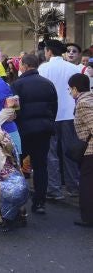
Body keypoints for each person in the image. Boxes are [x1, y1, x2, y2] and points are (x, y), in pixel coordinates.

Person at [10, 53, 57, 214]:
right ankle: (39, 202)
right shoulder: (48, 84)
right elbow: (53, 107)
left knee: (18, 166)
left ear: (23, 65)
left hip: (24, 130)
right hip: (43, 130)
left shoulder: (17, 84)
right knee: (40, 166)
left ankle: (18, 201)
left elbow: (14, 110)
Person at [39, 39, 81, 200]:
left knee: (51, 153)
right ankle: (72, 186)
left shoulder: (44, 68)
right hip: (70, 114)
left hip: (51, 115)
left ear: (49, 51)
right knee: (70, 151)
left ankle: (54, 189)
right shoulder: (73, 68)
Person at [68, 73, 93, 227]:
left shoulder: (83, 103)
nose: (70, 92)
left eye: (70, 89)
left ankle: (89, 217)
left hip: (90, 151)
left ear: (75, 88)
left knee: (87, 184)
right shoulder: (90, 98)